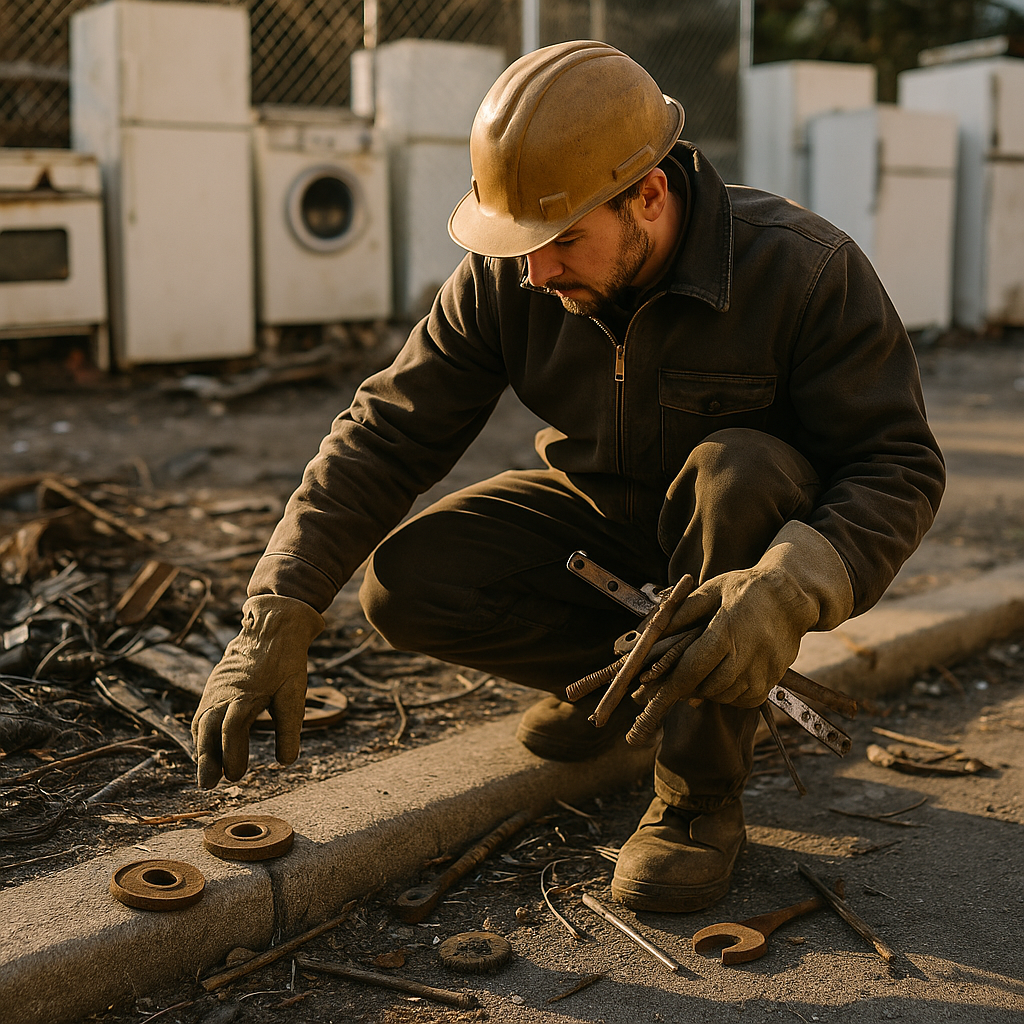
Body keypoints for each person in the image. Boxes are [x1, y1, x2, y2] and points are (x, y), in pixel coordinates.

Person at [192, 41, 944, 912]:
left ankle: (699, 799)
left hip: (734, 552)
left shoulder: (803, 272)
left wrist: (786, 591)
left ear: (649, 197)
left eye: (560, 242)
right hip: (602, 525)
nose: (534, 272)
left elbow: (899, 465)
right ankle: (626, 695)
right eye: (519, 245)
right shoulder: (513, 273)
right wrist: (277, 608)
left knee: (737, 470)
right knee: (405, 584)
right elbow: (386, 433)